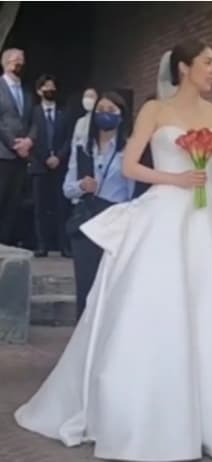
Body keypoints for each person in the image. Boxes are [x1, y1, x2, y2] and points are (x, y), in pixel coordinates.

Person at [14, 40, 212, 461]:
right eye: (208, 62)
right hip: (164, 213)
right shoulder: (155, 111)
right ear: (184, 68)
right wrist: (176, 180)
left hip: (208, 219)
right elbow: (131, 166)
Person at [63, 91, 134, 320]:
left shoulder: (128, 149)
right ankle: (82, 332)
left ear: (121, 116)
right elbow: (67, 188)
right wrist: (81, 186)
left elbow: (133, 192)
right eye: (101, 110)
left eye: (111, 110)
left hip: (115, 220)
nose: (105, 115)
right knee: (86, 283)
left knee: (111, 286)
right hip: (87, 219)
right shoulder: (83, 147)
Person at [29, 74, 71, 257]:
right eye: (46, 86)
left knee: (62, 207)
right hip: (39, 166)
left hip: (60, 167)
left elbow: (69, 138)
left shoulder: (64, 112)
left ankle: (64, 246)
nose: (50, 90)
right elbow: (31, 138)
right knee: (40, 208)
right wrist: (45, 157)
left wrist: (59, 157)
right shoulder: (33, 113)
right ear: (39, 91)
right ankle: (42, 245)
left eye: (53, 86)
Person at [0, 48, 36, 245]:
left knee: (13, 203)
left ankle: (5, 244)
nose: (21, 64)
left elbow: (33, 120)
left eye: (23, 60)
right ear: (6, 63)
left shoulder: (27, 92)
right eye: (17, 60)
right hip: (3, 154)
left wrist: (29, 141)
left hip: (21, 157)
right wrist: (14, 144)